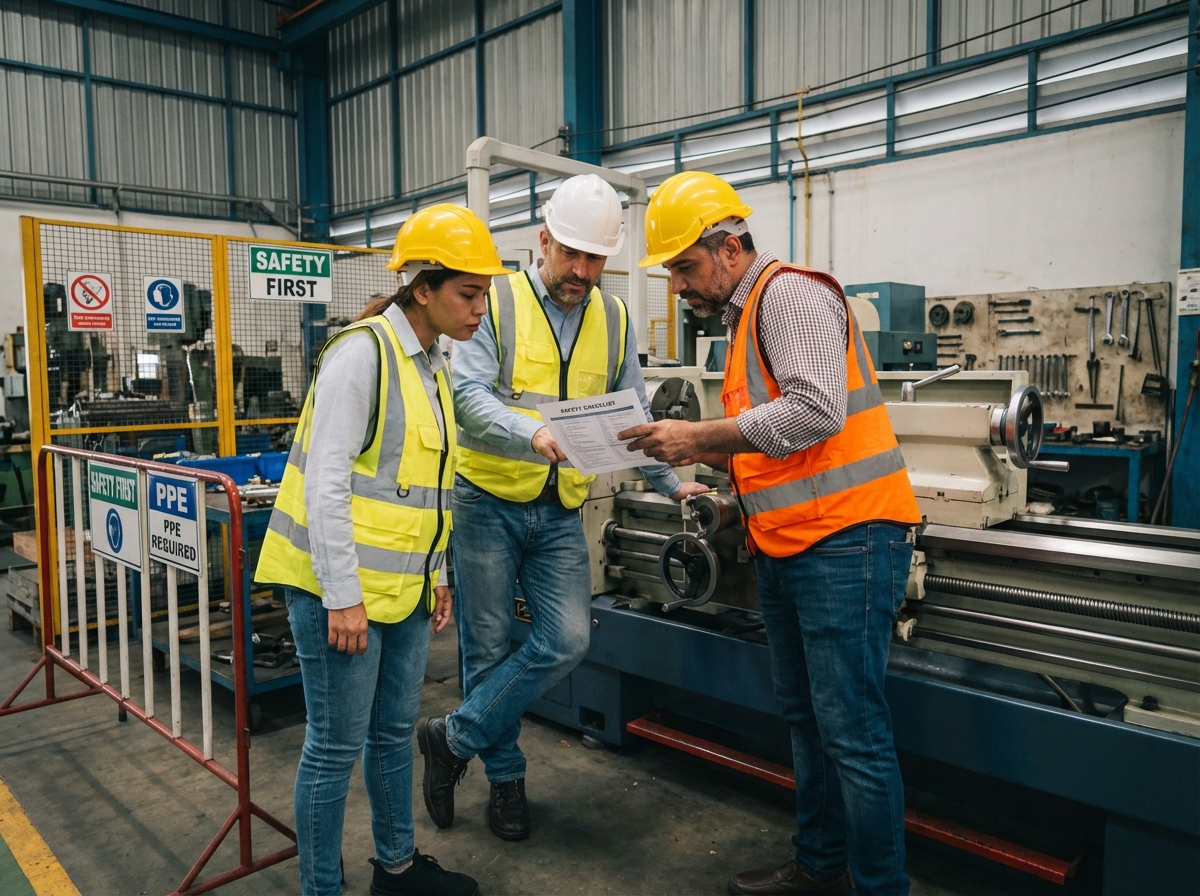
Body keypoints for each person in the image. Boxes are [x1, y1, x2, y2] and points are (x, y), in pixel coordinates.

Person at [618, 171, 922, 896]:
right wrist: (700, 456)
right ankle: (819, 868)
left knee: (853, 735)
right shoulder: (746, 315)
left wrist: (702, 434)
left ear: (728, 249)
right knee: (809, 722)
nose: (681, 288)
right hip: (794, 544)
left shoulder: (788, 296)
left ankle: (880, 888)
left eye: (687, 268)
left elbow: (817, 413)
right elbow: (774, 439)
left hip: (848, 541)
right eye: (672, 273)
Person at [417, 173, 710, 842]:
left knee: (569, 639)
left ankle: (452, 739)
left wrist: (673, 487)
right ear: (543, 240)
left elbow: (628, 422)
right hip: (486, 499)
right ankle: (507, 784)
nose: (581, 271)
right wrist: (533, 432)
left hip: (558, 509)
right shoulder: (496, 303)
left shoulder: (613, 317)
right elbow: (466, 398)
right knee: (488, 652)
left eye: (595, 258)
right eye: (571, 253)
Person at [254, 204, 509, 896]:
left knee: (394, 735)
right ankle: (322, 889)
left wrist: (440, 572)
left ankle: (396, 870)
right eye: (468, 292)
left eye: (485, 292)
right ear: (422, 288)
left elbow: (421, 484)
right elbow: (328, 485)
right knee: (334, 747)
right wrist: (342, 596)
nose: (481, 307)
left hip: (403, 593)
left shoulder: (433, 364)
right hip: (340, 593)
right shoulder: (362, 354)